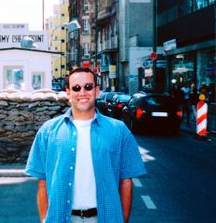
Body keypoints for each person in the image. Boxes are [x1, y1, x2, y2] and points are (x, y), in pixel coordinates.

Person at [26, 67, 146, 223]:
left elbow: (126, 182)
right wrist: (44, 220)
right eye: (76, 88)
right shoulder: (48, 131)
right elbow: (42, 182)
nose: (82, 92)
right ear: (68, 92)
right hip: (62, 218)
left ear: (96, 91)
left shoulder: (119, 131)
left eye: (88, 87)